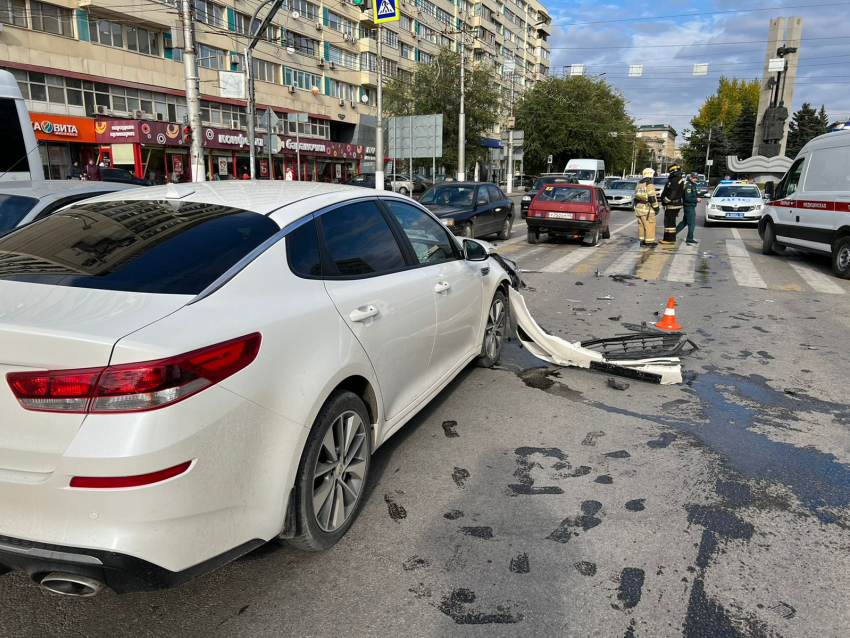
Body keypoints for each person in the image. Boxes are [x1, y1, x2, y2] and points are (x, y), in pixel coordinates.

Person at [659, 165, 685, 244]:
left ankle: (669, 239)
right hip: (674, 204)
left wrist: (665, 200)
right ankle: (668, 238)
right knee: (670, 222)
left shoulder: (675, 180)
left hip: (672, 204)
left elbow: (672, 193)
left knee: (669, 222)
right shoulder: (677, 179)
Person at [633, 168, 659, 246]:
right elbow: (652, 198)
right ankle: (649, 242)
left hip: (639, 208)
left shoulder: (639, 184)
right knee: (649, 225)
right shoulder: (649, 185)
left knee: (641, 225)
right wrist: (656, 208)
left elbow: (635, 198)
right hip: (647, 209)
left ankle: (642, 240)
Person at [675, 172, 701, 246]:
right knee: (692, 223)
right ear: (690, 178)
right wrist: (696, 200)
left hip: (689, 206)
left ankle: (672, 234)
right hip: (689, 207)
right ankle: (689, 238)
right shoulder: (689, 186)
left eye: (696, 178)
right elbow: (688, 198)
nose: (695, 179)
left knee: (684, 222)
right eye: (694, 178)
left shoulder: (692, 185)